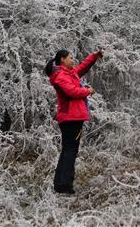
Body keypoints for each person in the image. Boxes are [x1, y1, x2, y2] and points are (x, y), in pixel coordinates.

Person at [43, 48, 103, 195]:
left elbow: (82, 67)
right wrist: (87, 91)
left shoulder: (69, 73)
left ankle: (60, 185)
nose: (73, 60)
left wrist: (94, 56)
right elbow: (72, 92)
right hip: (71, 118)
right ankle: (64, 186)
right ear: (62, 59)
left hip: (73, 117)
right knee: (70, 150)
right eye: (70, 57)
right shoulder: (61, 76)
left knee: (68, 150)